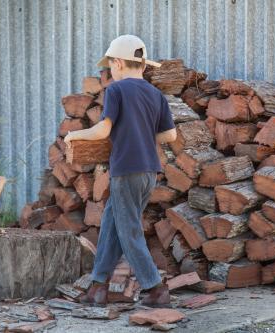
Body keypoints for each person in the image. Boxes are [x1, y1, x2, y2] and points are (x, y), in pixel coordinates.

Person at [64, 35, 177, 307]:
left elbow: (103, 129)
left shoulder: (116, 91)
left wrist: (73, 135)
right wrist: (141, 134)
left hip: (126, 170)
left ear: (117, 63)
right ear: (142, 65)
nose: (109, 72)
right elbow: (170, 135)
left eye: (109, 67)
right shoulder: (155, 94)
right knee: (112, 228)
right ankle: (98, 287)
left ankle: (155, 289)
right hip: (149, 171)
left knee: (128, 231)